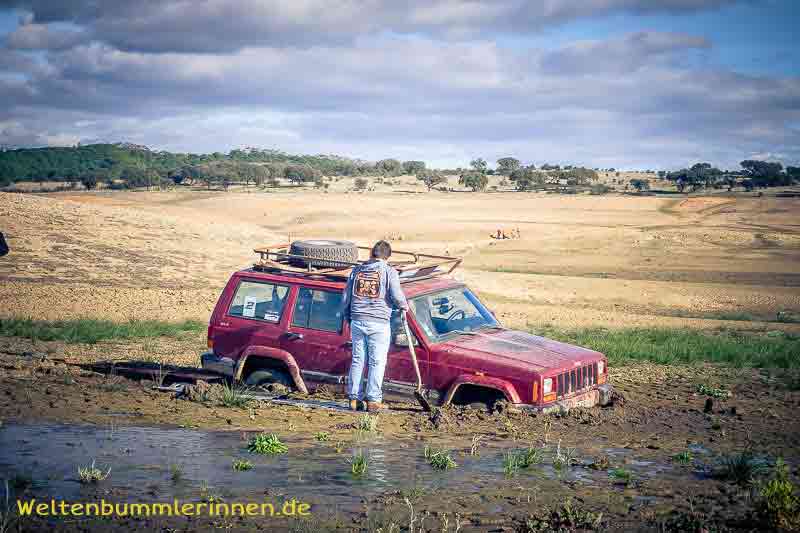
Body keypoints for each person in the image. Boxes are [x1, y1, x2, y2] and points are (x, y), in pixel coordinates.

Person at [341, 240, 408, 412]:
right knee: (377, 362)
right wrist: (403, 306)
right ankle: (373, 400)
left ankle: (353, 399)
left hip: (357, 320)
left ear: (372, 254)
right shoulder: (389, 271)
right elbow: (396, 294)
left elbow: (345, 297)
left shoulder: (356, 271)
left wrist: (348, 316)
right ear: (387, 257)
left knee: (358, 359)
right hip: (379, 323)